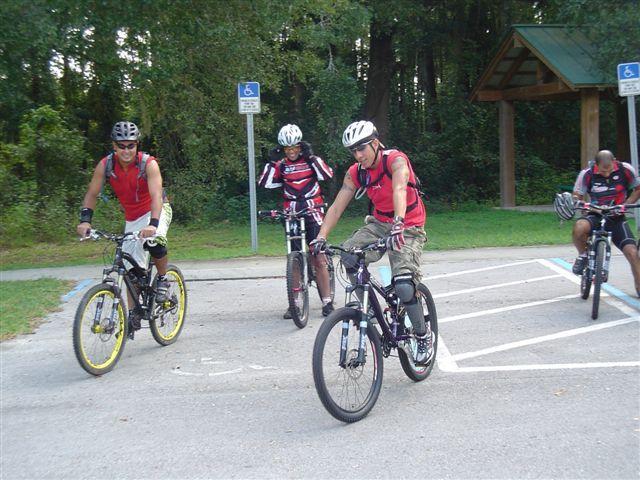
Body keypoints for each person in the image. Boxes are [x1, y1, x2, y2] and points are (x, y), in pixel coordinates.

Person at [309, 120, 432, 364]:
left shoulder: (396, 160)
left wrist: (398, 223)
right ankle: (372, 313)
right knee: (348, 255)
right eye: (353, 150)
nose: (358, 155)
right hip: (378, 224)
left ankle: (422, 335)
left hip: (407, 225)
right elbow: (336, 207)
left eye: (362, 148)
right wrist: (321, 236)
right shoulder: (356, 172)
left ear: (375, 143)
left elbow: (399, 189)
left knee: (405, 286)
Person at [76, 121, 173, 327]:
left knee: (154, 242)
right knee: (131, 271)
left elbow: (156, 196)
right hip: (133, 217)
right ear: (114, 146)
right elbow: (92, 194)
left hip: (157, 209)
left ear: (137, 145)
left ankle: (163, 278)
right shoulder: (106, 165)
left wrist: (153, 225)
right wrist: (85, 221)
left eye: (130, 145)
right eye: (121, 146)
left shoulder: (148, 164)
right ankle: (132, 314)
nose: (126, 150)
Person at [258, 124, 335, 317]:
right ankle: (295, 303)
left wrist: (311, 157)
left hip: (313, 211)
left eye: (295, 148)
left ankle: (327, 302)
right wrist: (272, 162)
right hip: (291, 213)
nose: (292, 152)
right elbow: (265, 183)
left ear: (301, 146)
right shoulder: (281, 165)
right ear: (283, 149)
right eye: (287, 149)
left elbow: (327, 174)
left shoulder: (311, 161)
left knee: (317, 255)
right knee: (293, 258)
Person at [570, 150, 640, 295]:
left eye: (609, 170)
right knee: (579, 227)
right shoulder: (587, 174)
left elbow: (637, 189)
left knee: (632, 252)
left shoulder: (625, 169)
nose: (607, 174)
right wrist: (580, 203)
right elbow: (577, 195)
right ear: (596, 165)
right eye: (603, 171)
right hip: (595, 214)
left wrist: (626, 204)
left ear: (614, 161)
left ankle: (639, 285)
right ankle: (583, 255)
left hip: (616, 216)